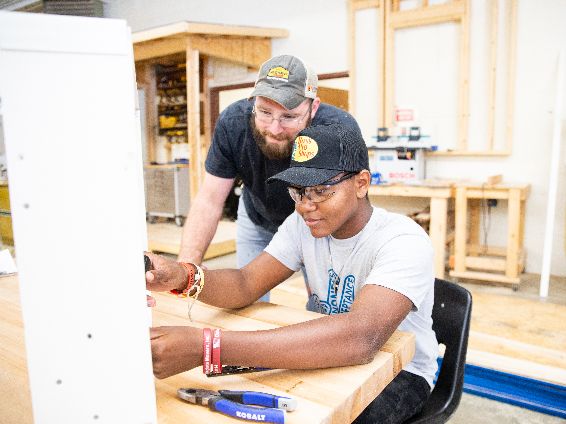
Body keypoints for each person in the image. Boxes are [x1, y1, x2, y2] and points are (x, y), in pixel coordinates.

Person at [146, 123, 438, 424]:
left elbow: (361, 338)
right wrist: (183, 276)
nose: (305, 206)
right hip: (331, 351)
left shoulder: (403, 240)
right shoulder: (303, 226)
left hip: (400, 373)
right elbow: (246, 283)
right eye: (297, 192)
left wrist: (209, 347)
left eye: (321, 191)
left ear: (362, 183)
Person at [177, 54, 360, 300]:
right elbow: (209, 200)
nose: (274, 129)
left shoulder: (338, 130)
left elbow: (353, 204)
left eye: (288, 117)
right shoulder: (233, 124)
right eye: (264, 112)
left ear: (313, 108)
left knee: (327, 305)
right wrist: (186, 270)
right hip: (257, 217)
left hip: (318, 224)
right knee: (245, 300)